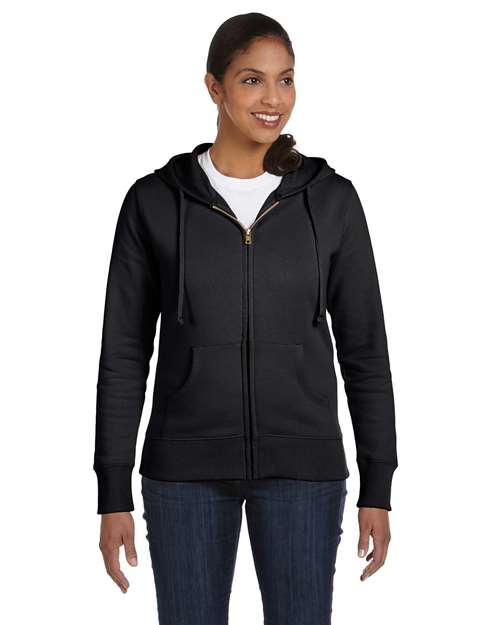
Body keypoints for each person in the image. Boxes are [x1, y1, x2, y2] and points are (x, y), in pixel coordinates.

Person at [94, 12, 398, 625]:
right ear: (214, 87)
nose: (273, 99)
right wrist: (113, 491)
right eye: (252, 80)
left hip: (304, 471)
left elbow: (365, 349)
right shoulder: (154, 202)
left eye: (286, 80)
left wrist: (378, 483)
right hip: (182, 473)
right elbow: (123, 353)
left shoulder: (331, 200)